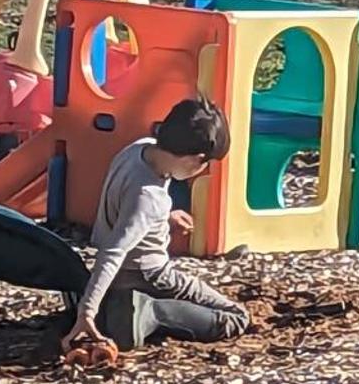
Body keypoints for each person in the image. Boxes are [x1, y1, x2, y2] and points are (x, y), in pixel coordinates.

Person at [62, 97, 250, 354]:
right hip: (148, 274)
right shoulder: (149, 196)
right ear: (197, 158)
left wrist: (164, 218)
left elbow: (127, 207)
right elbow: (114, 253)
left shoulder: (139, 149)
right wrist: (86, 314)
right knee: (236, 316)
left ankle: (110, 302)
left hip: (125, 271)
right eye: (206, 164)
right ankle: (147, 312)